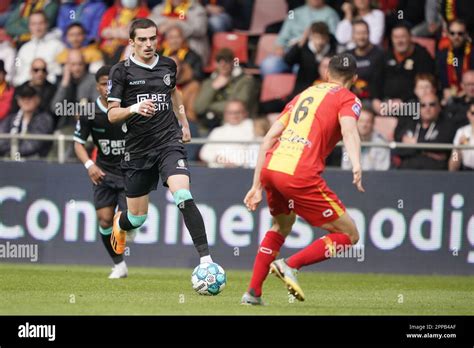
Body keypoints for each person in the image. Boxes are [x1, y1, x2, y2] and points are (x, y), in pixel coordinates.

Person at [241, 53, 364, 305]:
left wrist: (256, 185)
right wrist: (357, 164)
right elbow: (349, 130)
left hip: (272, 168)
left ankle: (253, 293)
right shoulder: (349, 99)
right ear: (355, 78)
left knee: (281, 226)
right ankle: (289, 265)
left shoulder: (305, 94)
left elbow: (269, 138)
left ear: (327, 74)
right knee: (349, 235)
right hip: (299, 173)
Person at [107, 19, 214, 266]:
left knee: (183, 195)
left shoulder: (168, 65)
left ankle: (206, 261)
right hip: (137, 150)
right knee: (136, 219)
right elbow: (113, 114)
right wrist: (134, 107)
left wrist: (184, 121)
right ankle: (119, 224)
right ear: (131, 42)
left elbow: (173, 92)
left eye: (152, 38)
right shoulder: (121, 72)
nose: (148, 44)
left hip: (168, 143)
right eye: (142, 40)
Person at [74, 65, 128, 279]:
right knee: (105, 220)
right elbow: (78, 143)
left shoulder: (127, 108)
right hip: (103, 172)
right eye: (105, 83)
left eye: (112, 84)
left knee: (123, 220)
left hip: (129, 172)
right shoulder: (90, 113)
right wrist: (89, 165)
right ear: (97, 86)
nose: (108, 88)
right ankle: (119, 264)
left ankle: (128, 228)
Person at [194, 48, 258, 129]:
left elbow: (239, 106)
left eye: (226, 61)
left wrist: (210, 106)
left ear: (233, 62)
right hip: (209, 125)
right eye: (219, 61)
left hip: (237, 124)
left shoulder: (245, 81)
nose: (222, 64)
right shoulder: (209, 82)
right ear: (215, 63)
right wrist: (213, 88)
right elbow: (199, 108)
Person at [396, 93, 456, 170]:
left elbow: (442, 146)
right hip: (408, 171)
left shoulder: (447, 125)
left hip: (436, 173)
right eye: (423, 105)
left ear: (439, 107)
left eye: (432, 104)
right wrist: (428, 151)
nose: (427, 108)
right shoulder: (410, 124)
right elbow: (399, 149)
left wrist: (415, 143)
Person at [13, 11, 65, 87]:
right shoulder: (24, 49)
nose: (37, 27)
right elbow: (19, 73)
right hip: (26, 89)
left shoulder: (58, 46)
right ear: (29, 26)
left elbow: (59, 73)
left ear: (47, 24)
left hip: (48, 89)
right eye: (34, 24)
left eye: (40, 23)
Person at [0, 85, 54, 158]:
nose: (26, 101)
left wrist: (15, 153)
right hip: (11, 159)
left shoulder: (44, 119)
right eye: (23, 97)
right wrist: (11, 153)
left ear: (37, 99)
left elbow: (33, 145)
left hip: (35, 162)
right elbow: (1, 139)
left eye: (30, 97)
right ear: (18, 101)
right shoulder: (10, 119)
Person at [199, 99, 256, 168]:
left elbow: (256, 152)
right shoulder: (217, 131)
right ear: (225, 114)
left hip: (243, 170)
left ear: (245, 113)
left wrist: (236, 163)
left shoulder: (254, 128)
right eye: (230, 112)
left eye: (237, 112)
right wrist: (219, 159)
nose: (234, 115)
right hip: (218, 171)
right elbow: (204, 153)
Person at [449, 101, 474, 171]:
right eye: (473, 113)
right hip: (467, 172)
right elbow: (453, 165)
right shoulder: (461, 132)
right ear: (468, 114)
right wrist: (457, 149)